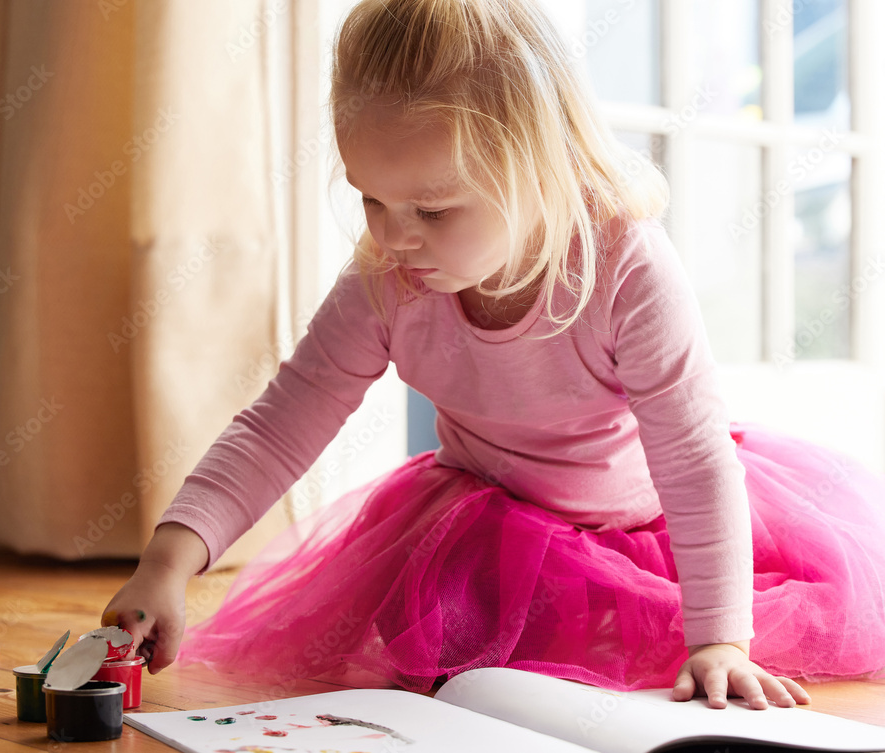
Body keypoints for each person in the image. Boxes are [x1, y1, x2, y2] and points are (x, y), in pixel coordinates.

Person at [103, 0, 885, 710]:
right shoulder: (387, 280)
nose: (392, 235)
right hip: (486, 522)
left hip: (637, 521)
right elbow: (281, 424)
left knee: (629, 666)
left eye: (432, 209)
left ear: (539, 167)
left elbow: (693, 459)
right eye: (371, 198)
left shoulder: (624, 268)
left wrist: (719, 636)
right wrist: (169, 560)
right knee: (454, 675)